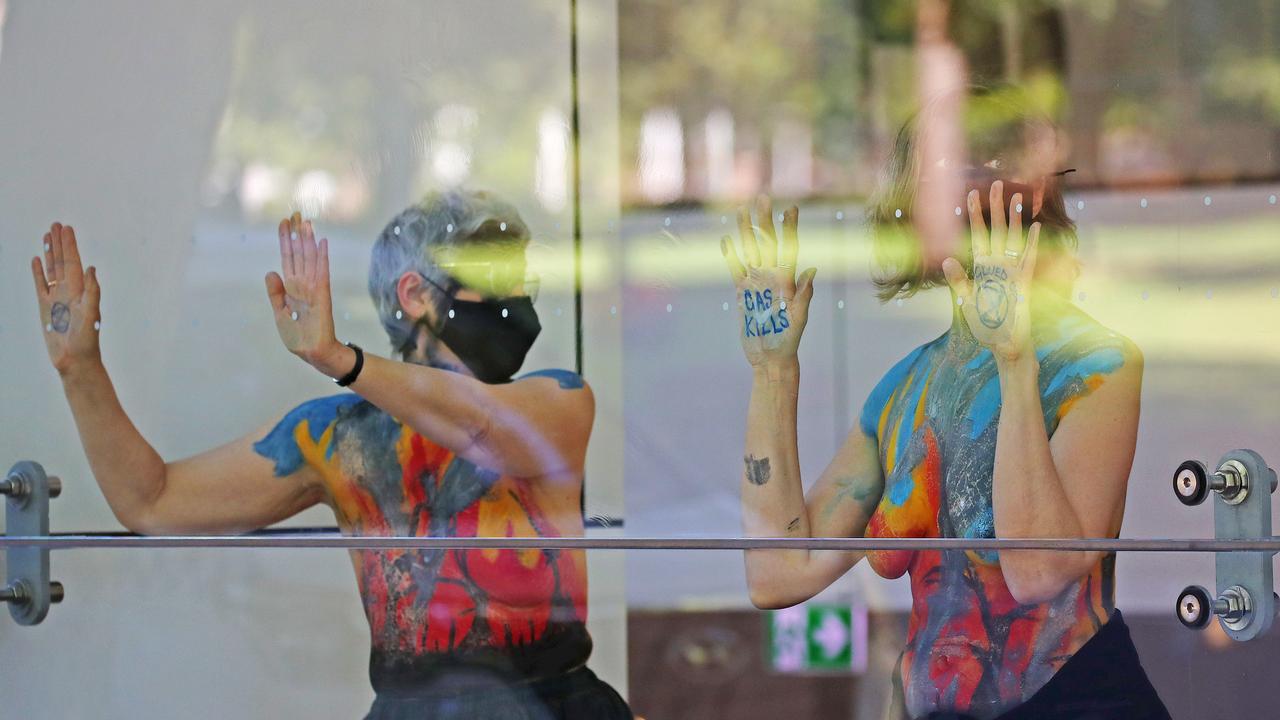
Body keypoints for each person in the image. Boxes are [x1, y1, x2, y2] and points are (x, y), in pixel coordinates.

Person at [30, 190, 632, 720]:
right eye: (498, 277)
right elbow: (151, 502)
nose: (517, 298)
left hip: (551, 703)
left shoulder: (559, 401)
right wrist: (80, 369)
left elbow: (480, 429)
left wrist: (342, 360)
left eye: (522, 278)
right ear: (416, 293)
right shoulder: (335, 438)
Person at [719, 93, 1170, 720]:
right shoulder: (909, 385)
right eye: (937, 175)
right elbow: (779, 574)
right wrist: (773, 371)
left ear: (1032, 198)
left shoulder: (1097, 366)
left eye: (985, 168)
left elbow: (1039, 569)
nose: (962, 193)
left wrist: (1015, 360)